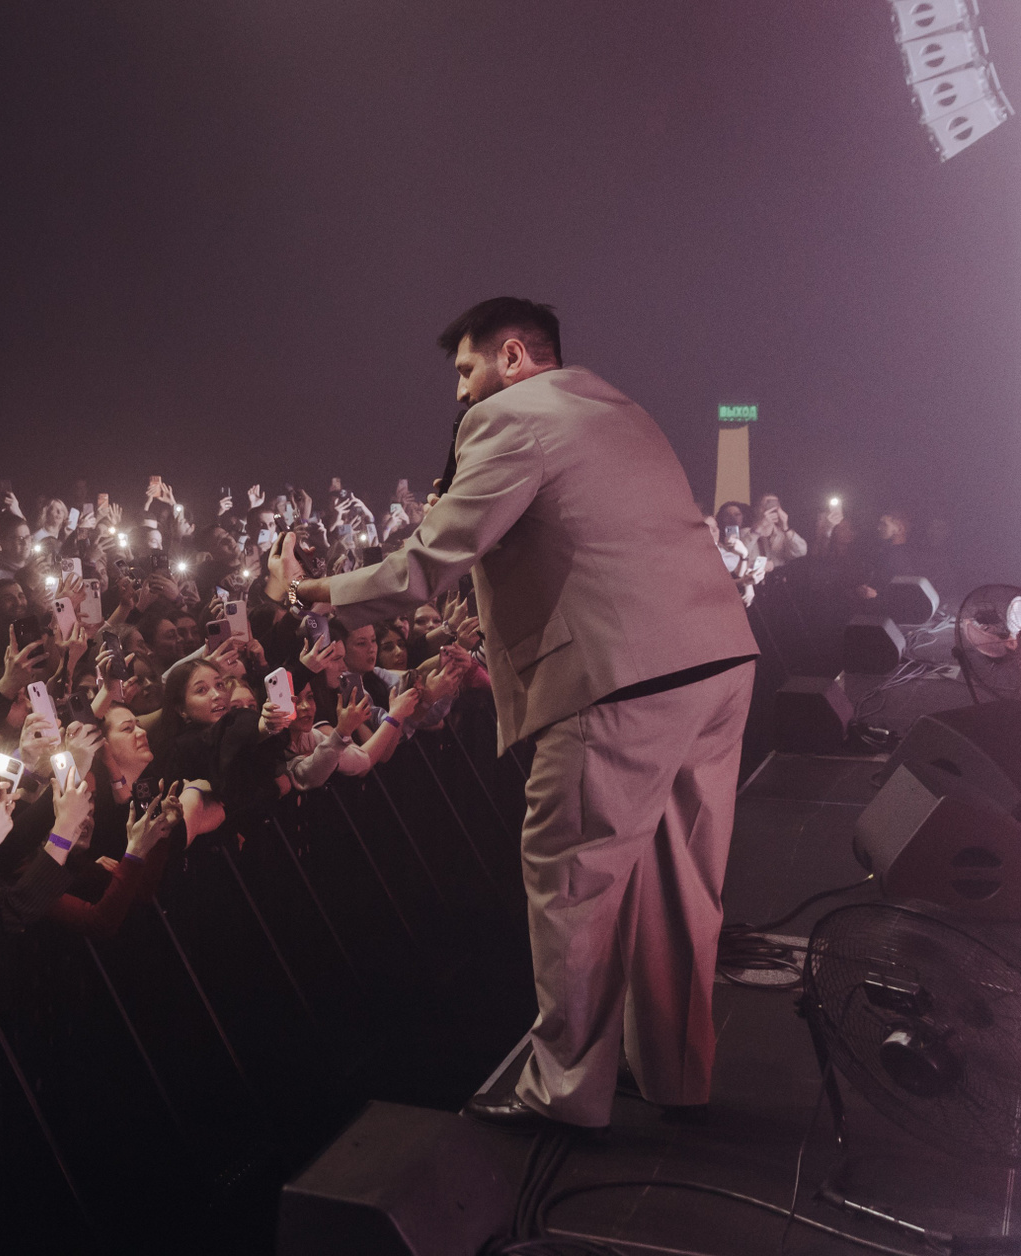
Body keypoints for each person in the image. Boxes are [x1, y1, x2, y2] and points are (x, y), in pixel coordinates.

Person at [267, 297, 757, 1130]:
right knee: (681, 884)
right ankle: (675, 1071)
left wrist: (307, 593)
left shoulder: (509, 418)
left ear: (515, 356)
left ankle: (566, 1094)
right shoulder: (619, 408)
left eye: (467, 369)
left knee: (572, 887)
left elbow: (426, 568)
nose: (460, 392)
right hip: (715, 658)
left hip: (616, 679)